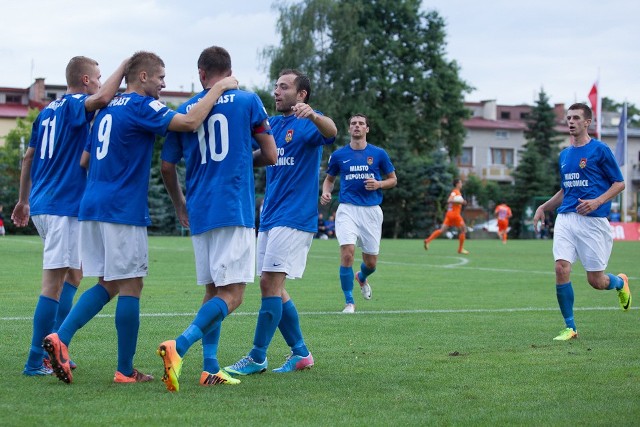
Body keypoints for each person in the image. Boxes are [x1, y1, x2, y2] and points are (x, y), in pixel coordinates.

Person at [43, 51, 238, 384]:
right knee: (132, 284)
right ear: (144, 76)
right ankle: (120, 368)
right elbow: (189, 123)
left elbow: (85, 161)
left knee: (109, 283)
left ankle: (63, 338)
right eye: (161, 77)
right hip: (121, 209)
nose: (164, 84)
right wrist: (217, 90)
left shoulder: (107, 107)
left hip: (91, 205)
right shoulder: (141, 105)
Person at [155, 46, 277, 392]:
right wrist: (239, 158)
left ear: (201, 74)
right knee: (234, 295)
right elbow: (270, 154)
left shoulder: (186, 108)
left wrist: (180, 204)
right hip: (232, 205)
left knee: (213, 291)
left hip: (200, 208)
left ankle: (210, 368)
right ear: (230, 70)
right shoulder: (247, 100)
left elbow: (166, 166)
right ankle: (178, 346)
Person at [11, 56, 128, 376]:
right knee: (52, 284)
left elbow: (28, 157)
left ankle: (57, 346)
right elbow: (103, 98)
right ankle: (37, 360)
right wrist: (127, 63)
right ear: (87, 81)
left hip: (44, 204)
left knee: (74, 276)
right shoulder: (78, 104)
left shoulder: (47, 111)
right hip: (62, 207)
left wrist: (23, 200)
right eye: (100, 77)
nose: (103, 82)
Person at [225, 69, 337, 376]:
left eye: (284, 87)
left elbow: (331, 132)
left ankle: (257, 356)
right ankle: (301, 353)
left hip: (295, 216)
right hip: (271, 216)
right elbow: (263, 156)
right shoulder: (272, 125)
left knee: (269, 284)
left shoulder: (309, 122)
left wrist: (314, 115)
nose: (276, 91)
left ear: (301, 95)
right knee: (274, 287)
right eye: (276, 86)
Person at [533, 102, 630, 341]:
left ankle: (620, 283)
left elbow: (619, 183)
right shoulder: (564, 155)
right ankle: (570, 327)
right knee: (560, 268)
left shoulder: (600, 150)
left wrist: (597, 201)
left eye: (576, 117)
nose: (571, 121)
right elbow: (567, 189)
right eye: (568, 118)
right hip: (566, 218)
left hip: (593, 221)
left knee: (596, 281)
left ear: (588, 122)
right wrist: (544, 206)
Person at [320, 113, 397, 313]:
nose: (357, 126)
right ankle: (349, 302)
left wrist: (379, 183)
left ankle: (361, 277)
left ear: (367, 129)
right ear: (349, 129)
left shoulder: (379, 154)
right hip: (347, 210)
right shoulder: (339, 155)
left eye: (361, 124)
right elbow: (329, 179)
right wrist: (326, 193)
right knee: (347, 253)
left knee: (370, 264)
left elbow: (393, 179)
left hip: (371, 212)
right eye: (353, 123)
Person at [423, 179, 469, 254]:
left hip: (449, 214)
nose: (461, 184)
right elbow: (449, 200)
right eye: (460, 183)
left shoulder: (457, 192)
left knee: (442, 230)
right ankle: (460, 249)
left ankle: (428, 240)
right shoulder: (455, 192)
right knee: (463, 230)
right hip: (455, 214)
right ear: (457, 184)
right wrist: (461, 202)